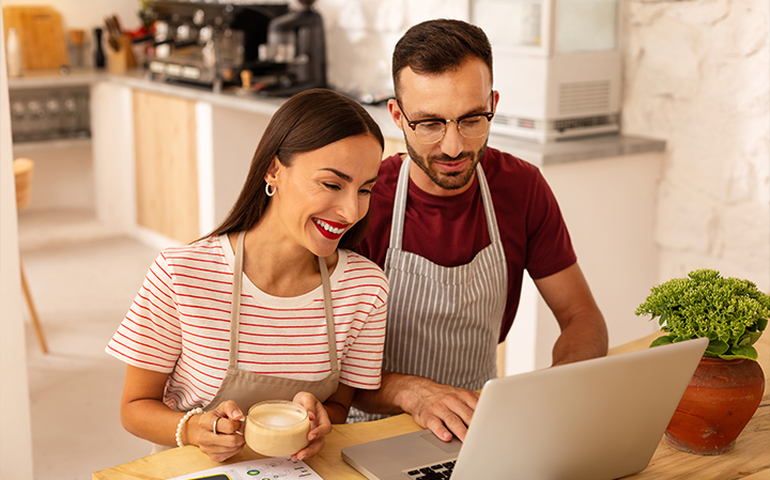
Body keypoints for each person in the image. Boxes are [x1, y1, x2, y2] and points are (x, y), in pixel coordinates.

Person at [350, 19, 609, 442]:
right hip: (371, 435)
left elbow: (583, 317)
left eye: (472, 119)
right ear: (397, 115)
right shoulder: (363, 201)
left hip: (478, 430)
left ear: (493, 103)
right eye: (430, 124)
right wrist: (411, 392)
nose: (453, 146)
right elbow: (323, 366)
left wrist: (555, 385)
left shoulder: (521, 188)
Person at [106, 89, 389, 463]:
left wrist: (323, 420)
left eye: (365, 189)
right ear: (274, 171)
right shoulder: (182, 273)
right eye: (332, 184)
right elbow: (134, 407)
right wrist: (192, 429)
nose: (351, 211)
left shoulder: (365, 289)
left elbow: (338, 405)